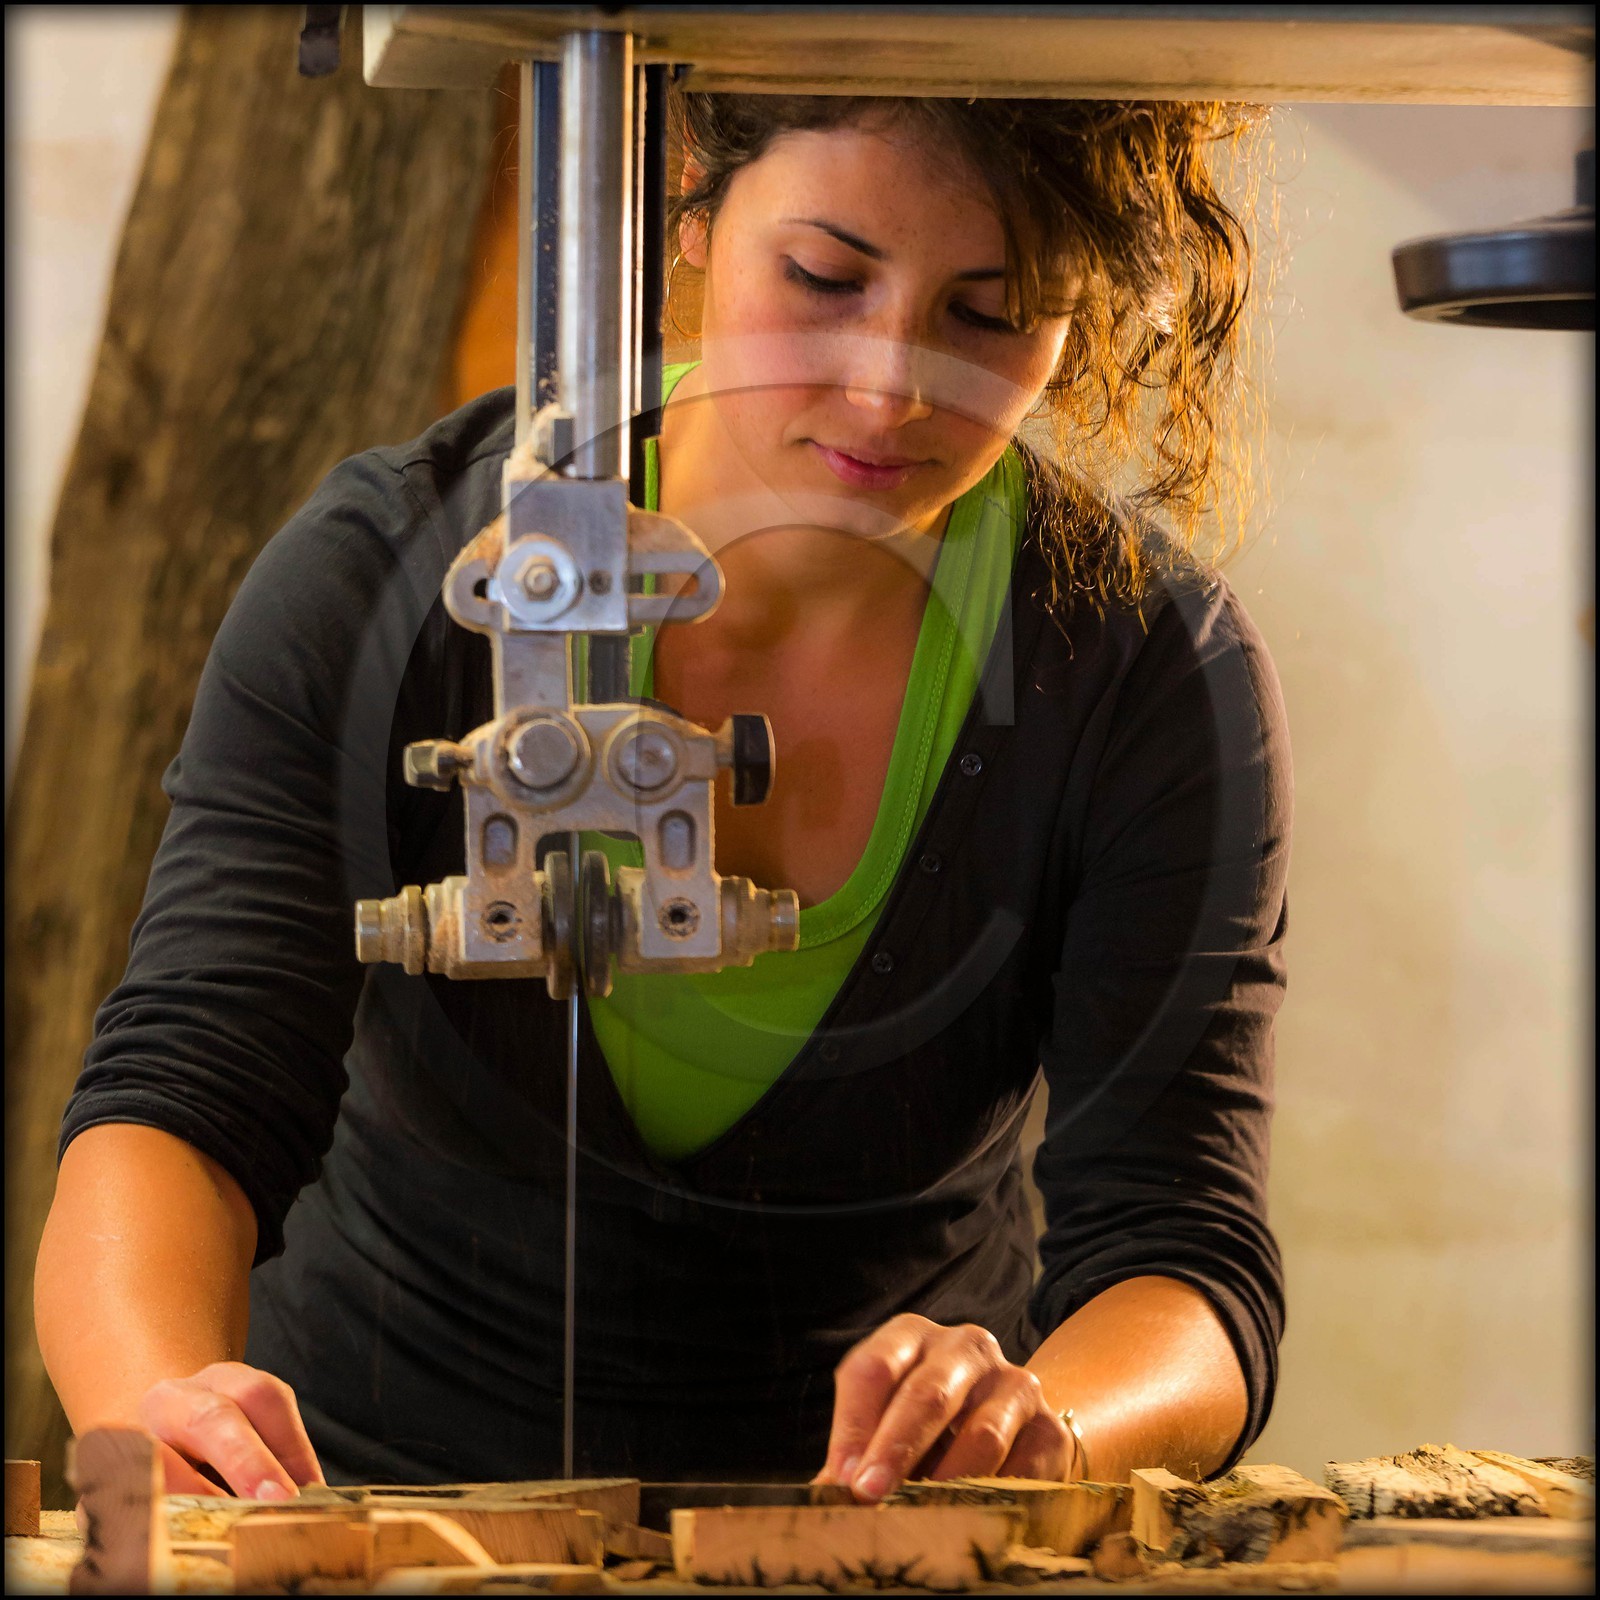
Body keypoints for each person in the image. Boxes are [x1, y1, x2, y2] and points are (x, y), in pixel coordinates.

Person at [36, 90, 1291, 1503]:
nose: (891, 387)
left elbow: (1186, 1254)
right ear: (691, 202)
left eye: (990, 316)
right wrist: (160, 1402)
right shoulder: (379, 576)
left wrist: (1042, 1421)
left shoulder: (1142, 671)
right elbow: (184, 1092)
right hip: (367, 1501)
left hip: (884, 1540)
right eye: (824, 279)